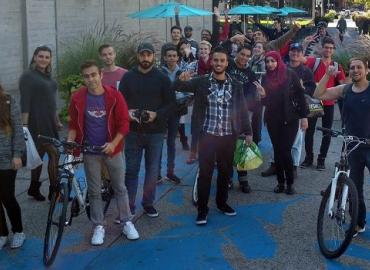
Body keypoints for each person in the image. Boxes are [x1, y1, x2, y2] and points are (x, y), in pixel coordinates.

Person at [173, 46, 253, 225]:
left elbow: (242, 110)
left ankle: (222, 203)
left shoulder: (236, 85)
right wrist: (180, 77)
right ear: (211, 62)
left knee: (225, 172)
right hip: (207, 135)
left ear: (227, 63)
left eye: (222, 60)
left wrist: (248, 131)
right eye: (215, 60)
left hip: (228, 136)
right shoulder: (201, 82)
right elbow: (178, 86)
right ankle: (202, 209)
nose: (218, 63)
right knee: (205, 174)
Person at [68, 60, 139, 245]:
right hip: (90, 151)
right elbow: (74, 126)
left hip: (112, 150)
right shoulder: (77, 98)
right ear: (83, 79)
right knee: (93, 191)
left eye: (93, 75)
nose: (90, 79)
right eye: (86, 76)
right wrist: (70, 142)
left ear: (101, 75)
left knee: (120, 187)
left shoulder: (114, 96)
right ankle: (99, 225)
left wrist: (113, 143)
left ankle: (126, 221)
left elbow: (124, 123)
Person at [313, 58, 370, 237]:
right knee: (355, 188)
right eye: (352, 68)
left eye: (359, 67)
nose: (355, 70)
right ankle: (358, 223)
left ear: (367, 70)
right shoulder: (345, 90)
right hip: (353, 147)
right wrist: (327, 75)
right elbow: (319, 94)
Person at [119, 43, 175, 217]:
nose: (145, 58)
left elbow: (171, 104)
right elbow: (120, 103)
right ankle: (128, 206)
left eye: (148, 55)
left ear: (154, 56)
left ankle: (148, 203)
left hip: (155, 132)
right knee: (131, 170)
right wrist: (128, 113)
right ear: (138, 56)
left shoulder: (162, 78)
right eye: (142, 55)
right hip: (133, 132)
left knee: (152, 171)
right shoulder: (128, 77)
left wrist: (156, 115)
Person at [262, 43, 316, 178]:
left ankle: (293, 167)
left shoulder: (305, 71)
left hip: (297, 111)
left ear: (302, 54)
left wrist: (303, 90)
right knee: (277, 142)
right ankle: (275, 164)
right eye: (293, 51)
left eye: (298, 51)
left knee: (296, 142)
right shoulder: (281, 67)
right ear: (289, 53)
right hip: (280, 112)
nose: (295, 54)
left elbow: (312, 89)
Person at [258, 51, 308, 194]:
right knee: (278, 152)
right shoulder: (266, 78)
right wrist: (263, 96)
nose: (269, 64)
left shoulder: (290, 74)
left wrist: (304, 117)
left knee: (285, 151)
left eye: (272, 61)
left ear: (278, 61)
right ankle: (280, 183)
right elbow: (266, 102)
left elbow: (300, 96)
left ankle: (290, 183)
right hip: (273, 120)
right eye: (267, 61)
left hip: (290, 119)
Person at [19, 46, 61, 201]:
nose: (44, 59)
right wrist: (24, 127)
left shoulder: (48, 76)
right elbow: (25, 102)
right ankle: (55, 191)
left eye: (47, 57)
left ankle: (33, 188)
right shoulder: (28, 77)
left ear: (50, 59)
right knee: (54, 154)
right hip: (36, 122)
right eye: (41, 56)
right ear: (35, 57)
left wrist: (56, 120)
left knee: (39, 155)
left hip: (49, 121)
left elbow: (52, 102)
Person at [301, 37, 346, 170]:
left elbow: (343, 84)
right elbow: (301, 59)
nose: (328, 50)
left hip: (329, 103)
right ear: (322, 49)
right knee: (310, 131)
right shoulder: (314, 62)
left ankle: (322, 159)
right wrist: (305, 44)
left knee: (327, 132)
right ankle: (309, 158)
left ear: (333, 50)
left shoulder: (337, 66)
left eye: (331, 48)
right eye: (326, 47)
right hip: (315, 101)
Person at [227, 44, 259, 193]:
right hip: (224, 112)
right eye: (242, 54)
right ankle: (227, 178)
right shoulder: (228, 65)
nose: (244, 58)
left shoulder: (251, 74)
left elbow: (252, 94)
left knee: (241, 147)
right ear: (237, 53)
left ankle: (243, 179)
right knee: (226, 148)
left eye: (247, 55)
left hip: (241, 114)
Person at [0, 84, 26, 249]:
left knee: (7, 197)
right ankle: (2, 234)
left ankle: (18, 231)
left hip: (7, 159)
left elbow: (18, 128)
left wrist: (17, 154)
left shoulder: (8, 100)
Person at [159, 46, 183, 184]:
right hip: (162, 111)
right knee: (159, 143)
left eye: (174, 56)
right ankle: (156, 172)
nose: (172, 58)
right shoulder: (159, 73)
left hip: (175, 111)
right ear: (165, 58)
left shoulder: (182, 72)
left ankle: (170, 172)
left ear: (177, 57)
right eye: (169, 56)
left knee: (171, 142)